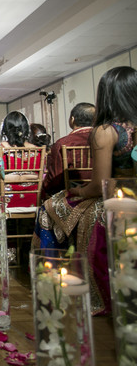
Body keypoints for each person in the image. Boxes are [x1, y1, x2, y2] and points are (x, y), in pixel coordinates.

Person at [34, 66, 137, 315]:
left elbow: (100, 186)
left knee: (49, 209)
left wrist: (77, 192)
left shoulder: (106, 132)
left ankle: (57, 282)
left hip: (116, 199)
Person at [0, 111, 40, 206]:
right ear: (26, 129)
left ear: (5, 129)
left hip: (6, 199)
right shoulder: (37, 150)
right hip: (33, 198)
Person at [41, 103, 95, 198]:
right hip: (101, 193)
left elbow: (54, 178)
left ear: (72, 119)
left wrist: (44, 188)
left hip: (73, 196)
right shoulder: (103, 140)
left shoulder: (63, 143)